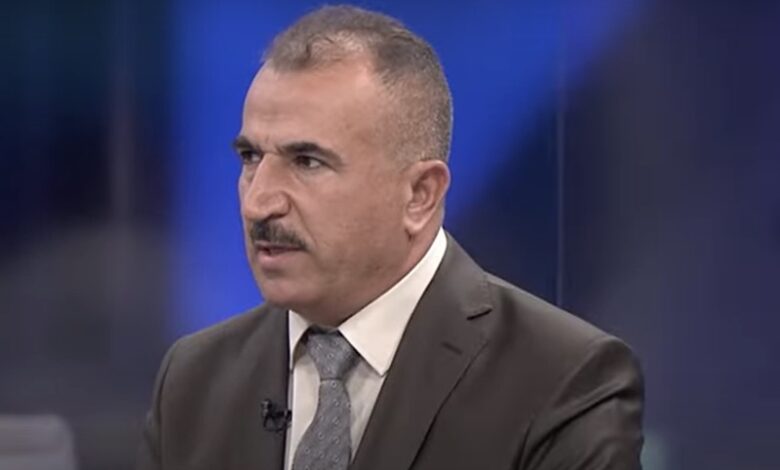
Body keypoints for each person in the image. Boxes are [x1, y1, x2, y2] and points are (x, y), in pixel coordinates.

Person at [137, 5, 644, 470]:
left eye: (307, 161)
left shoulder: (563, 383)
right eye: (251, 158)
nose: (258, 202)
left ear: (420, 194)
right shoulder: (193, 381)